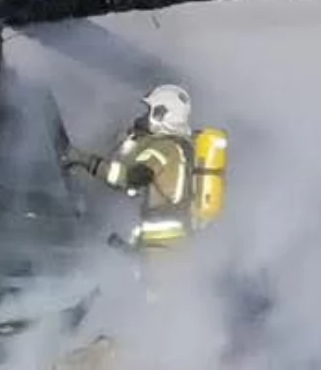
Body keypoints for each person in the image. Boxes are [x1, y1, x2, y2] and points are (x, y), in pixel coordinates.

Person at [61, 84, 228, 248]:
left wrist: (83, 159)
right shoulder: (181, 147)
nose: (145, 117)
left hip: (162, 247)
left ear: (162, 114)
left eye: (151, 111)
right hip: (168, 244)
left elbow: (129, 178)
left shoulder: (164, 148)